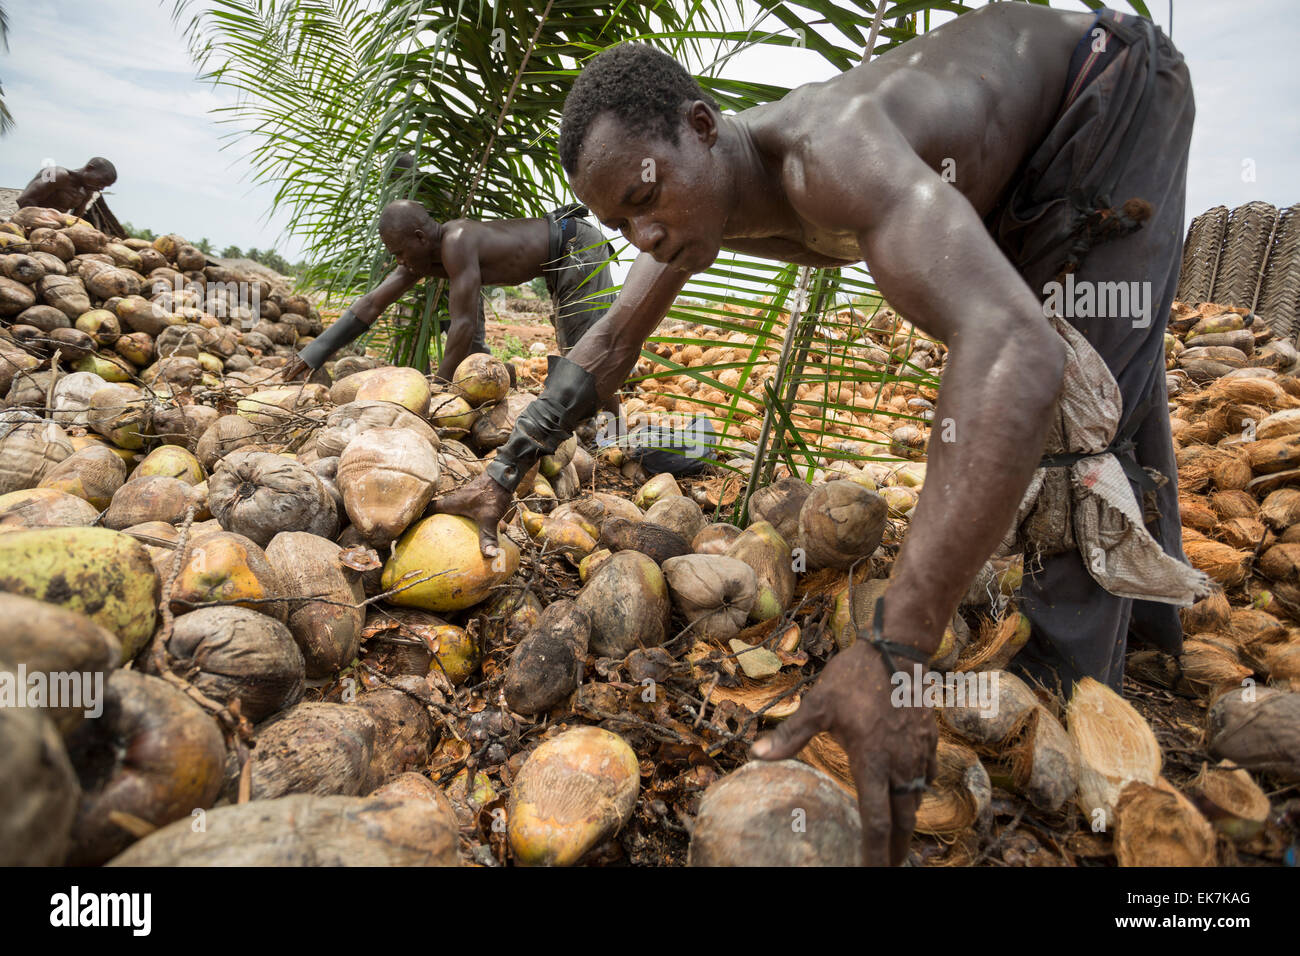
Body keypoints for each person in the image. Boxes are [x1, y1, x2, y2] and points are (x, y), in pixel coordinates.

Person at [434, 4, 1196, 864]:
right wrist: (505, 469)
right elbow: (610, 342)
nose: (641, 236)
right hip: (1019, 155)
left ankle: (1075, 699)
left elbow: (1014, 351)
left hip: (1106, 90)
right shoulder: (695, 206)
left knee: (1079, 379)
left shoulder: (834, 153)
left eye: (645, 201)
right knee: (1098, 361)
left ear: (702, 127)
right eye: (620, 225)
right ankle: (1161, 632)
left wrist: (896, 649)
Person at [281, 198, 617, 383]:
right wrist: (314, 353)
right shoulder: (421, 258)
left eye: (398, 252)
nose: (398, 261)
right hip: (558, 252)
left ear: (420, 237)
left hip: (574, 243)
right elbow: (371, 304)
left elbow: (464, 324)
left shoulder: (456, 241)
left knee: (582, 343)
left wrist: (438, 386)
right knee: (576, 343)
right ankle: (593, 420)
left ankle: (607, 431)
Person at [17, 157, 125, 237]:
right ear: (89, 168)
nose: (101, 188)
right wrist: (38, 224)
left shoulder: (87, 192)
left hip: (52, 235)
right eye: (101, 182)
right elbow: (25, 199)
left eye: (105, 186)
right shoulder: (58, 175)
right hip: (25, 228)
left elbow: (75, 221)